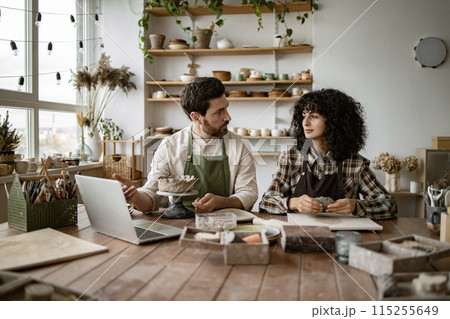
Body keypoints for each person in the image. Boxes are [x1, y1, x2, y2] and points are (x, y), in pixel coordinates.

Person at [114, 77, 258, 216]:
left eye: (226, 108)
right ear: (195, 117)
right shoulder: (170, 146)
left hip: (226, 223)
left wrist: (222, 202)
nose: (228, 117)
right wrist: (135, 196)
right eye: (219, 112)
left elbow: (248, 193)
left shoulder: (239, 145)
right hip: (180, 225)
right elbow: (151, 196)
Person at [259, 88, 398, 219]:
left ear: (334, 122)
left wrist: (356, 206)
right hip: (299, 232)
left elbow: (390, 206)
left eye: (313, 116)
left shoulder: (354, 162)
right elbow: (265, 202)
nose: (305, 123)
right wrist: (293, 203)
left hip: (343, 234)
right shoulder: (290, 158)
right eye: (303, 116)